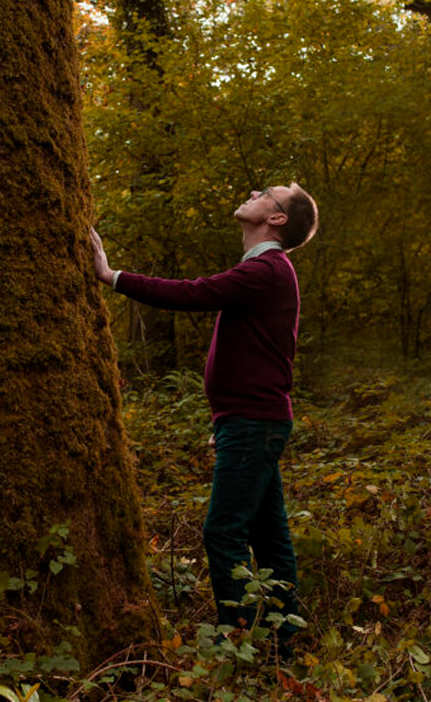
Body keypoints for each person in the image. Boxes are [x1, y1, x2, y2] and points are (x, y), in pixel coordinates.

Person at [89, 183, 319, 656]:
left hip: (254, 423)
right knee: (269, 534)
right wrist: (228, 422)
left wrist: (112, 276)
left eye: (267, 193)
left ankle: (233, 643)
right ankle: (283, 641)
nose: (256, 191)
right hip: (250, 421)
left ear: (276, 219)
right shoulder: (265, 269)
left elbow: (194, 293)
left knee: (222, 531)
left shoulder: (270, 268)